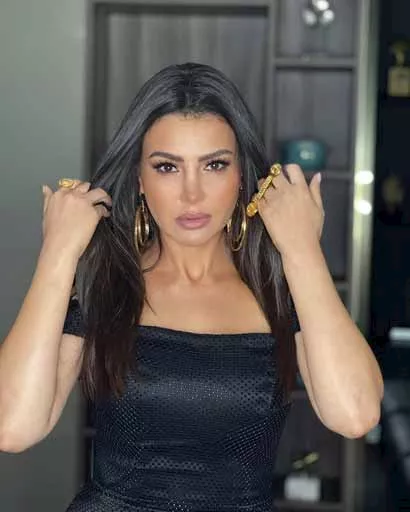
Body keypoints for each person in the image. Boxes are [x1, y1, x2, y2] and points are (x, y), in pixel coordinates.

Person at [0, 62, 383, 511]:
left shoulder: (281, 290)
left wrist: (302, 250)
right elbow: (12, 427)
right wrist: (57, 254)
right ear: (140, 179)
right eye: (167, 167)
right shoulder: (104, 287)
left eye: (214, 164)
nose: (192, 193)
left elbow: (355, 414)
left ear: (241, 176)